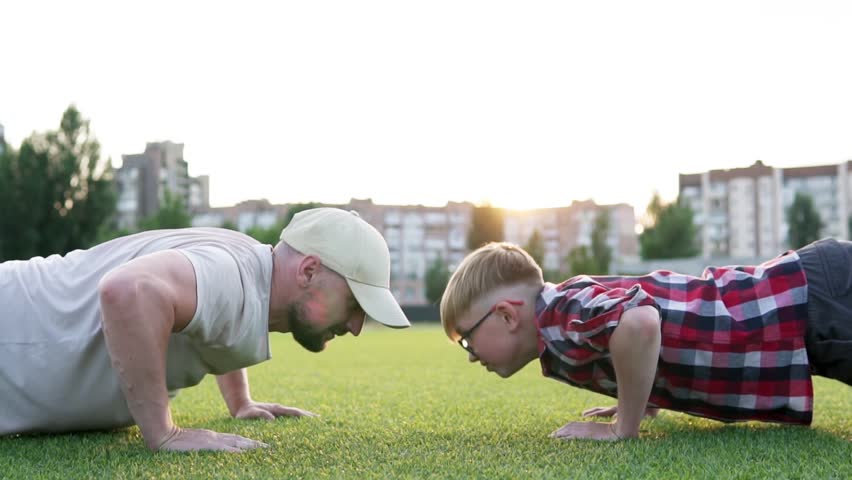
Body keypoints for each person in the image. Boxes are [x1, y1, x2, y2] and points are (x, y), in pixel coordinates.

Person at [0, 207, 409, 452]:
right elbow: (128, 291)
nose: (356, 326)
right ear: (308, 270)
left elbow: (218, 317)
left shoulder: (246, 266)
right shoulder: (232, 274)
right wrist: (164, 433)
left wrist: (240, 401)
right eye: (355, 304)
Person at [439, 239, 851, 441]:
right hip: (806, 309)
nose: (472, 356)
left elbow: (640, 324)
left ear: (507, 315)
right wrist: (638, 395)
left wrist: (624, 427)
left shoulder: (559, 313)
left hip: (812, 300)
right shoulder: (562, 318)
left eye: (467, 340)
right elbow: (660, 321)